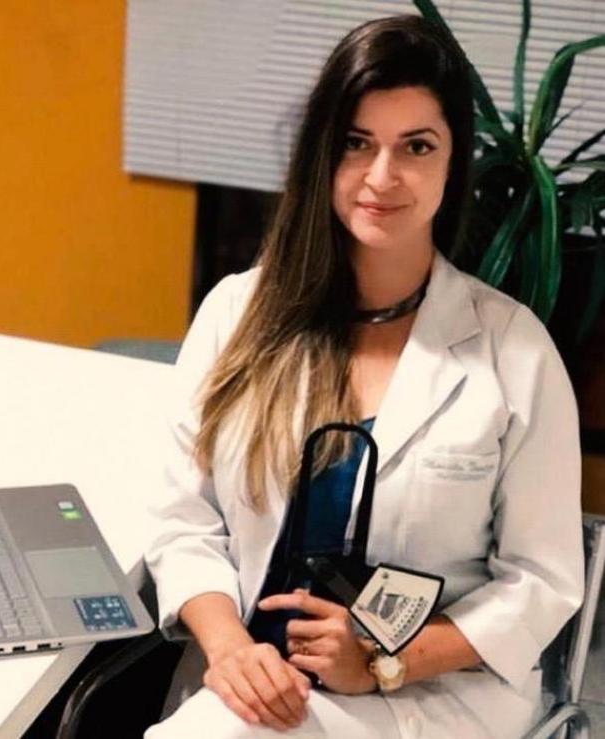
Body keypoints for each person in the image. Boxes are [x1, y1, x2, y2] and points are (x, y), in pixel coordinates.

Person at [144, 14, 584, 739]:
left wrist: (387, 659)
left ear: (453, 163)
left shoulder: (514, 351)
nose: (382, 177)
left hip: (434, 696)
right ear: (324, 155)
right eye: (357, 143)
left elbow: (541, 580)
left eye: (417, 146)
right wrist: (229, 649)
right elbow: (183, 520)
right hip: (255, 679)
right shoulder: (237, 314)